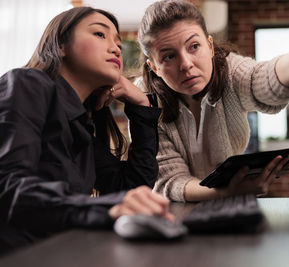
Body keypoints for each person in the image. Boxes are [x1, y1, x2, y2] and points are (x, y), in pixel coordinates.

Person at [134, 0, 289, 202]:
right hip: (176, 212)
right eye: (169, 56)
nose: (186, 64)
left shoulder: (231, 71)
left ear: (210, 46)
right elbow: (170, 181)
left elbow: (261, 80)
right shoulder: (144, 101)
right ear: (154, 67)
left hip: (229, 204)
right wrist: (226, 193)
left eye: (194, 46)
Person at [0, 6, 173, 253]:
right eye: (99, 35)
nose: (115, 48)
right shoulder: (26, 84)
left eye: (119, 44)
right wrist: (105, 208)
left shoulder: (80, 126)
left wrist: (143, 106)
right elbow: (8, 186)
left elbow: (131, 189)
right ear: (61, 45)